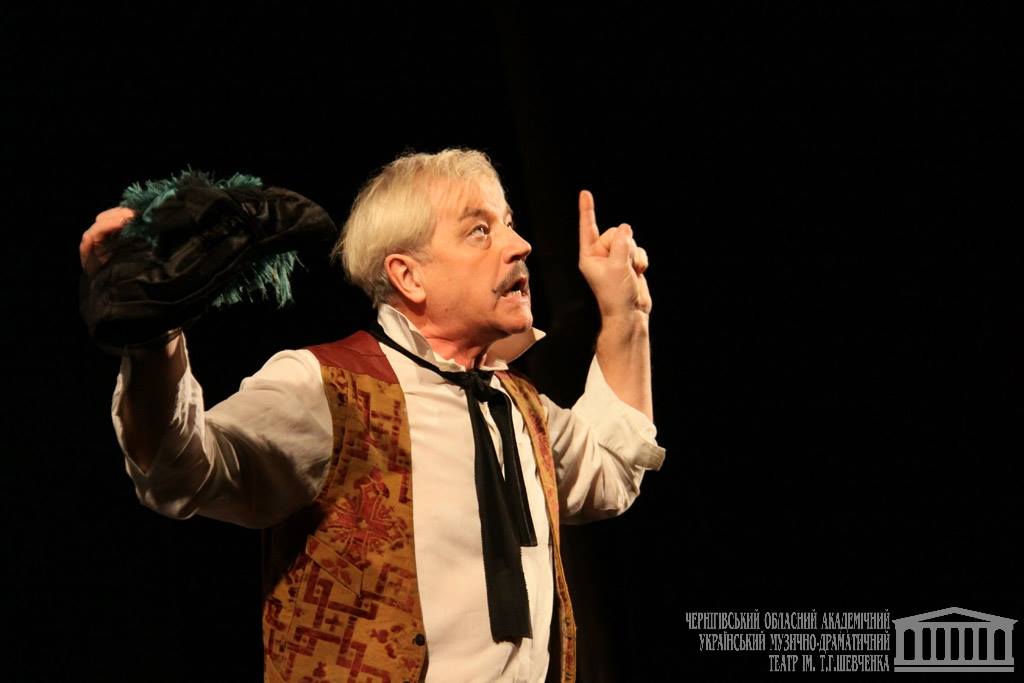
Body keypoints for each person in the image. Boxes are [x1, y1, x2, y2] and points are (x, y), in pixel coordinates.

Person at [80, 149, 664, 683]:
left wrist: (627, 316)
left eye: (508, 223)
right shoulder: (326, 385)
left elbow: (611, 470)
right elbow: (179, 471)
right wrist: (153, 340)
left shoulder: (519, 405)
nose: (520, 245)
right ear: (409, 276)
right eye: (480, 230)